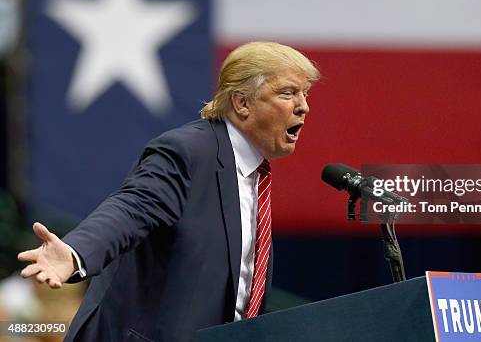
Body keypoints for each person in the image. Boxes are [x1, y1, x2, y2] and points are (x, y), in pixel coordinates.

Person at [17, 41, 320, 341]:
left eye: (304, 94)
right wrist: (75, 253)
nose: (303, 106)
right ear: (242, 103)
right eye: (288, 93)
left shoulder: (254, 175)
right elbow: (131, 208)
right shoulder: (188, 152)